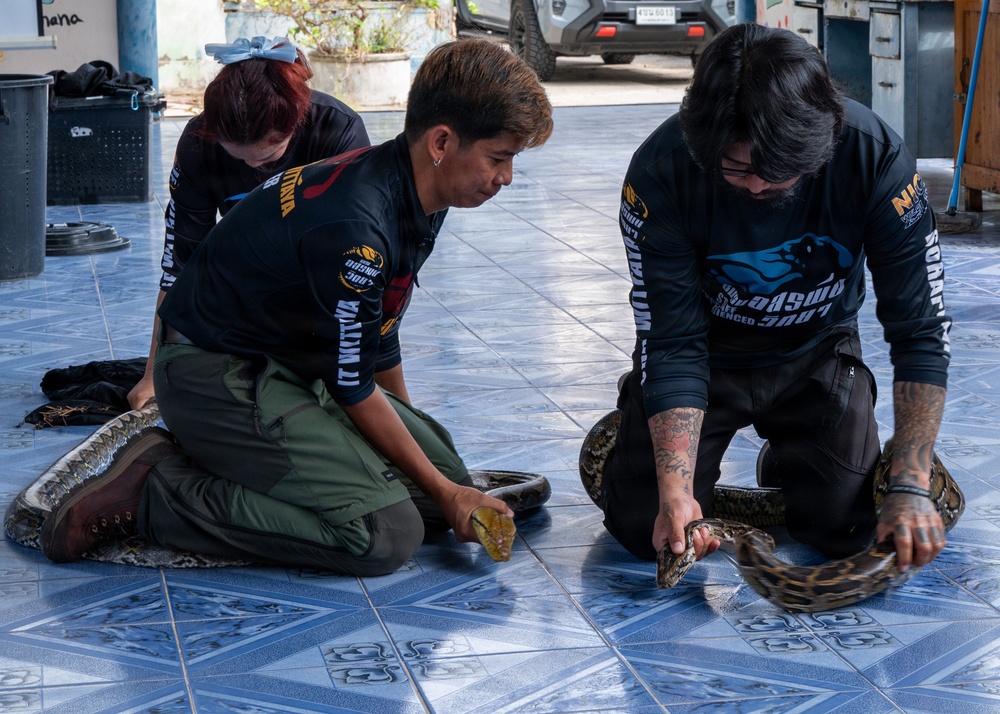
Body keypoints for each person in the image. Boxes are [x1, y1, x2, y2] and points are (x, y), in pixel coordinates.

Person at [40, 39, 554, 575]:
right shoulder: (357, 228)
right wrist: (439, 487)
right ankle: (156, 491)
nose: (507, 178)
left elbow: (377, 338)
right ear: (442, 142)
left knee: (438, 487)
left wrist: (437, 475)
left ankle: (247, 462)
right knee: (384, 534)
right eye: (499, 158)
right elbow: (353, 384)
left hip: (290, 367)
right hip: (211, 374)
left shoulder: (418, 189)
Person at [592, 23, 952, 575]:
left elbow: (920, 329)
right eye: (736, 169)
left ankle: (796, 456)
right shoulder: (660, 173)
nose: (757, 187)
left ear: (821, 141)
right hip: (706, 358)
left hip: (817, 348)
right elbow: (672, 341)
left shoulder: (873, 157)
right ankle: (636, 439)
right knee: (650, 530)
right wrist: (674, 490)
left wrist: (907, 481)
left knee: (850, 527)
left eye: (779, 173)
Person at [126, 36, 370, 410]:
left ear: (297, 122)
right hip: (251, 269)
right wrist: (152, 376)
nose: (255, 169)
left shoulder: (338, 132)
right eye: (240, 158)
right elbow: (179, 267)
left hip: (323, 275)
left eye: (270, 156)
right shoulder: (197, 143)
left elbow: (358, 266)